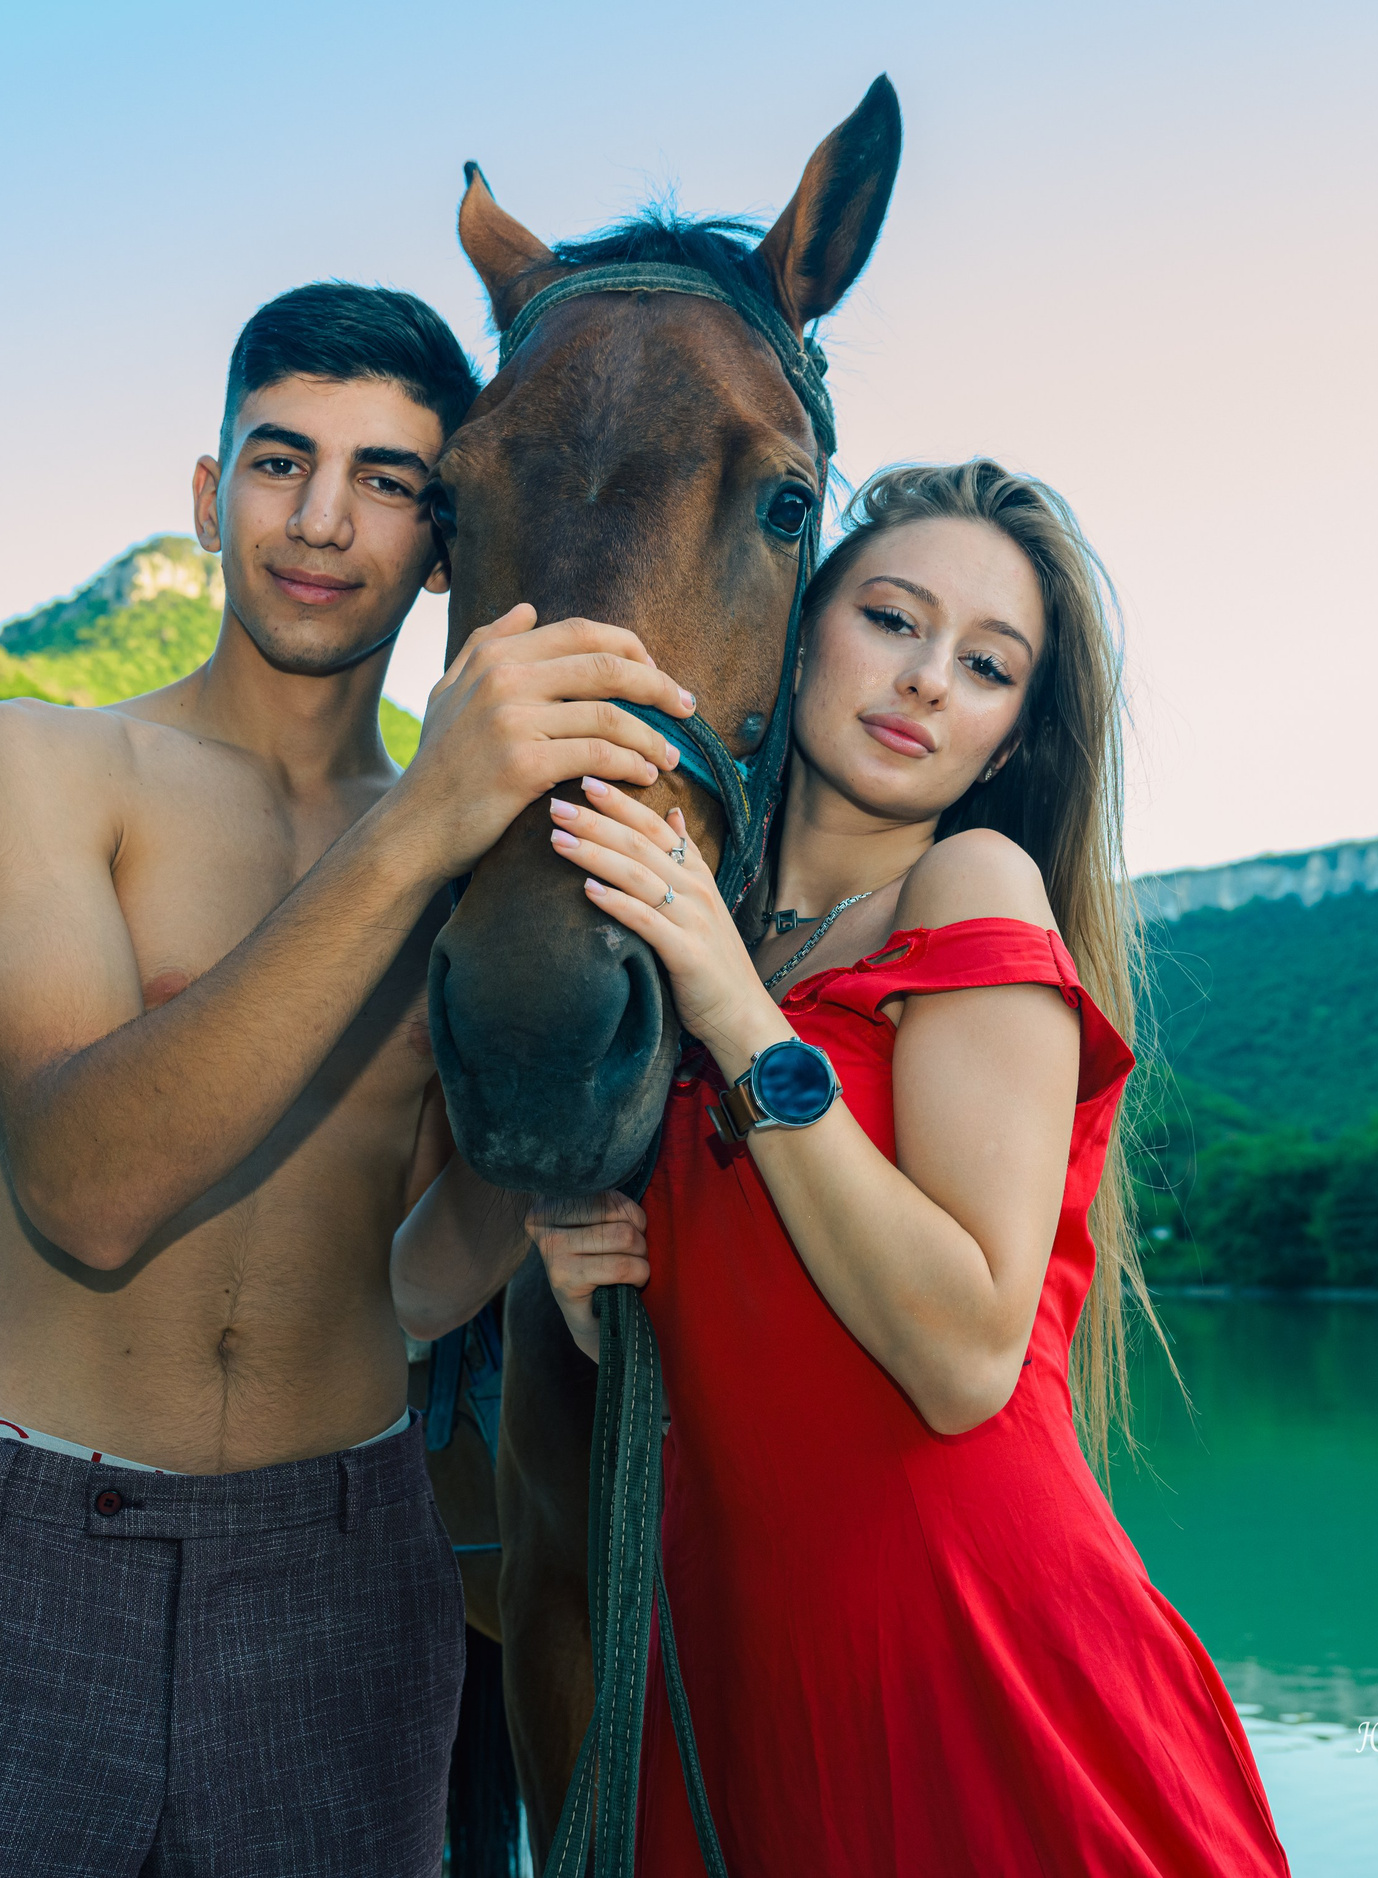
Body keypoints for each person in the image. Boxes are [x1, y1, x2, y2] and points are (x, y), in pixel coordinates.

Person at [0, 281, 698, 1877]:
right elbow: (86, 1186)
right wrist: (417, 826)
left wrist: (555, 1144)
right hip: (13, 1559)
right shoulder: (35, 765)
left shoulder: (483, 865)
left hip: (344, 1578)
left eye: (387, 480)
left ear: (442, 541)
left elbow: (411, 1280)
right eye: (282, 461)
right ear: (211, 495)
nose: (322, 520)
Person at [399, 460, 1290, 1875]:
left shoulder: (966, 888)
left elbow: (963, 1353)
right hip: (739, 1660)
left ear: (1006, 741)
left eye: (987, 665)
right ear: (802, 631)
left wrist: (734, 1007)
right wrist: (606, 1298)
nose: (927, 678)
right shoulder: (686, 936)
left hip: (966, 1637)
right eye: (892, 618)